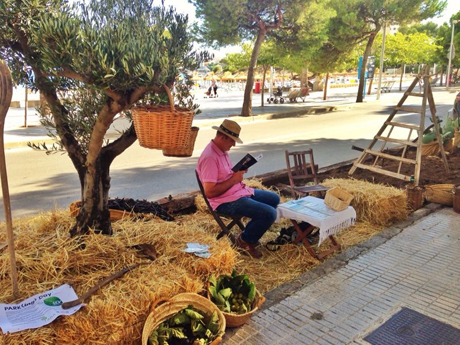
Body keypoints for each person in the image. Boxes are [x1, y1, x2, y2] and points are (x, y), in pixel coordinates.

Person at [196, 119, 280, 258]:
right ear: (222, 137)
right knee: (270, 214)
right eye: (232, 141)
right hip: (224, 201)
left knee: (274, 198)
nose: (234, 144)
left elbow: (224, 176)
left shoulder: (221, 150)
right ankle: (244, 241)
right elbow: (210, 193)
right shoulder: (210, 157)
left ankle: (250, 232)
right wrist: (234, 179)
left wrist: (237, 173)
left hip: (237, 191)